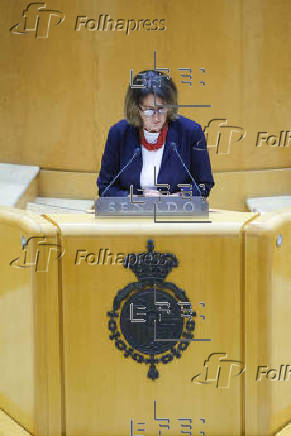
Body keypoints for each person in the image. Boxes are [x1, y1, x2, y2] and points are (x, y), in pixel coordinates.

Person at [97, 70, 214, 198]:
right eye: (149, 110)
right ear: (136, 109)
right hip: (131, 214)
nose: (156, 117)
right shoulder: (119, 133)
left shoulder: (191, 132)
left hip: (176, 214)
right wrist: (138, 200)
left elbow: (203, 185)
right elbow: (105, 187)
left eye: (162, 108)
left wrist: (171, 199)